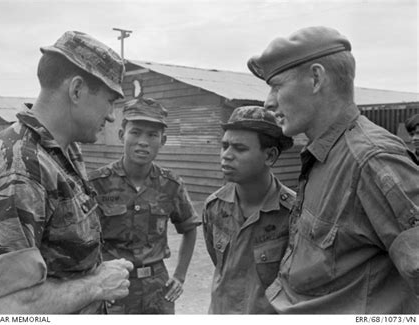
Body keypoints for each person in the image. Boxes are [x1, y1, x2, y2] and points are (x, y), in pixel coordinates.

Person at [247, 26, 419, 313]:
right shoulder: (325, 153)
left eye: (277, 86)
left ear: (316, 78)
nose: (268, 101)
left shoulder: (371, 160)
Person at [0, 31, 134, 314]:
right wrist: (97, 284)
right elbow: (12, 309)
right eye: (110, 101)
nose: (110, 115)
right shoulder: (17, 167)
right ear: (77, 90)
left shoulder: (62, 151)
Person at [88, 97, 200, 314]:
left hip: (157, 289)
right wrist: (94, 281)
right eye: (136, 132)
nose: (143, 141)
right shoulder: (96, 183)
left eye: (152, 135)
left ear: (163, 140)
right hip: (113, 287)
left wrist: (180, 276)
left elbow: (189, 228)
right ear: (122, 135)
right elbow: (82, 239)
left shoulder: (171, 184)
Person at [202, 106, 295, 314]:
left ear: (270, 156)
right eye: (224, 146)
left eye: (239, 148)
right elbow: (220, 266)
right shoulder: (214, 207)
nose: (226, 155)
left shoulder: (293, 213)